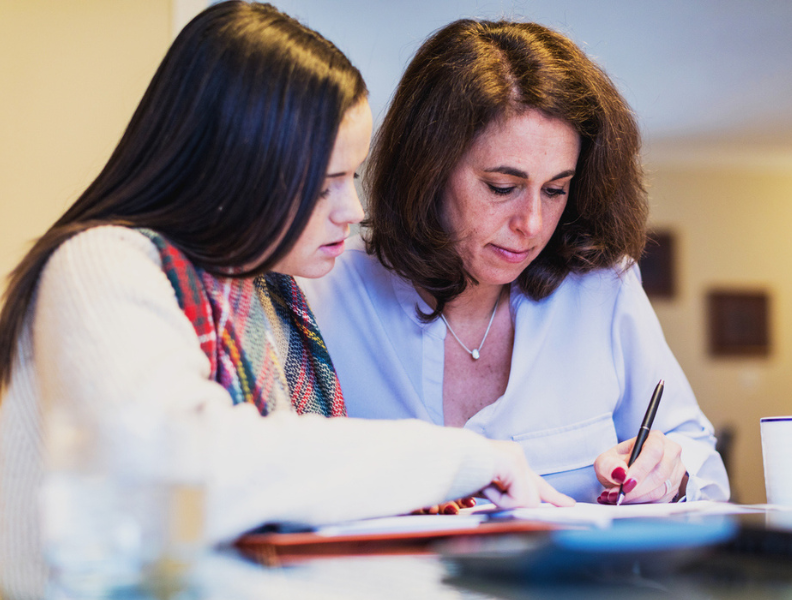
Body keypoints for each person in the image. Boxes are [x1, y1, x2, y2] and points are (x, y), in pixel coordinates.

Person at [0, 5, 571, 597]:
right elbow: (179, 473)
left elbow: (292, 504)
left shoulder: (271, 297)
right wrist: (461, 458)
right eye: (325, 184)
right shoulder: (102, 264)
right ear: (235, 168)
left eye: (352, 177)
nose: (352, 210)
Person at [301, 19, 730, 506]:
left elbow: (701, 461)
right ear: (428, 170)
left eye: (555, 189)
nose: (532, 223)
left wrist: (669, 473)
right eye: (502, 188)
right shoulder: (323, 288)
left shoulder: (602, 289)